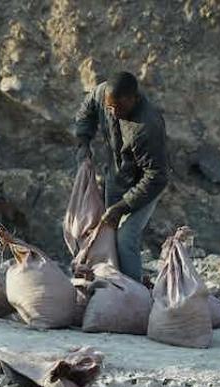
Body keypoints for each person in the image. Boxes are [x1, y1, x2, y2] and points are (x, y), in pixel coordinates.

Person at [74, 71, 168, 283]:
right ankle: (111, 284)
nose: (114, 113)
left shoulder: (147, 126)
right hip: (116, 178)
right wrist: (83, 140)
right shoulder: (102, 94)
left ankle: (134, 294)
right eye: (110, 107)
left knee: (125, 237)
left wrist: (122, 207)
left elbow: (157, 176)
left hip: (145, 186)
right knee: (107, 233)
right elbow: (86, 111)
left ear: (134, 98)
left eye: (120, 108)